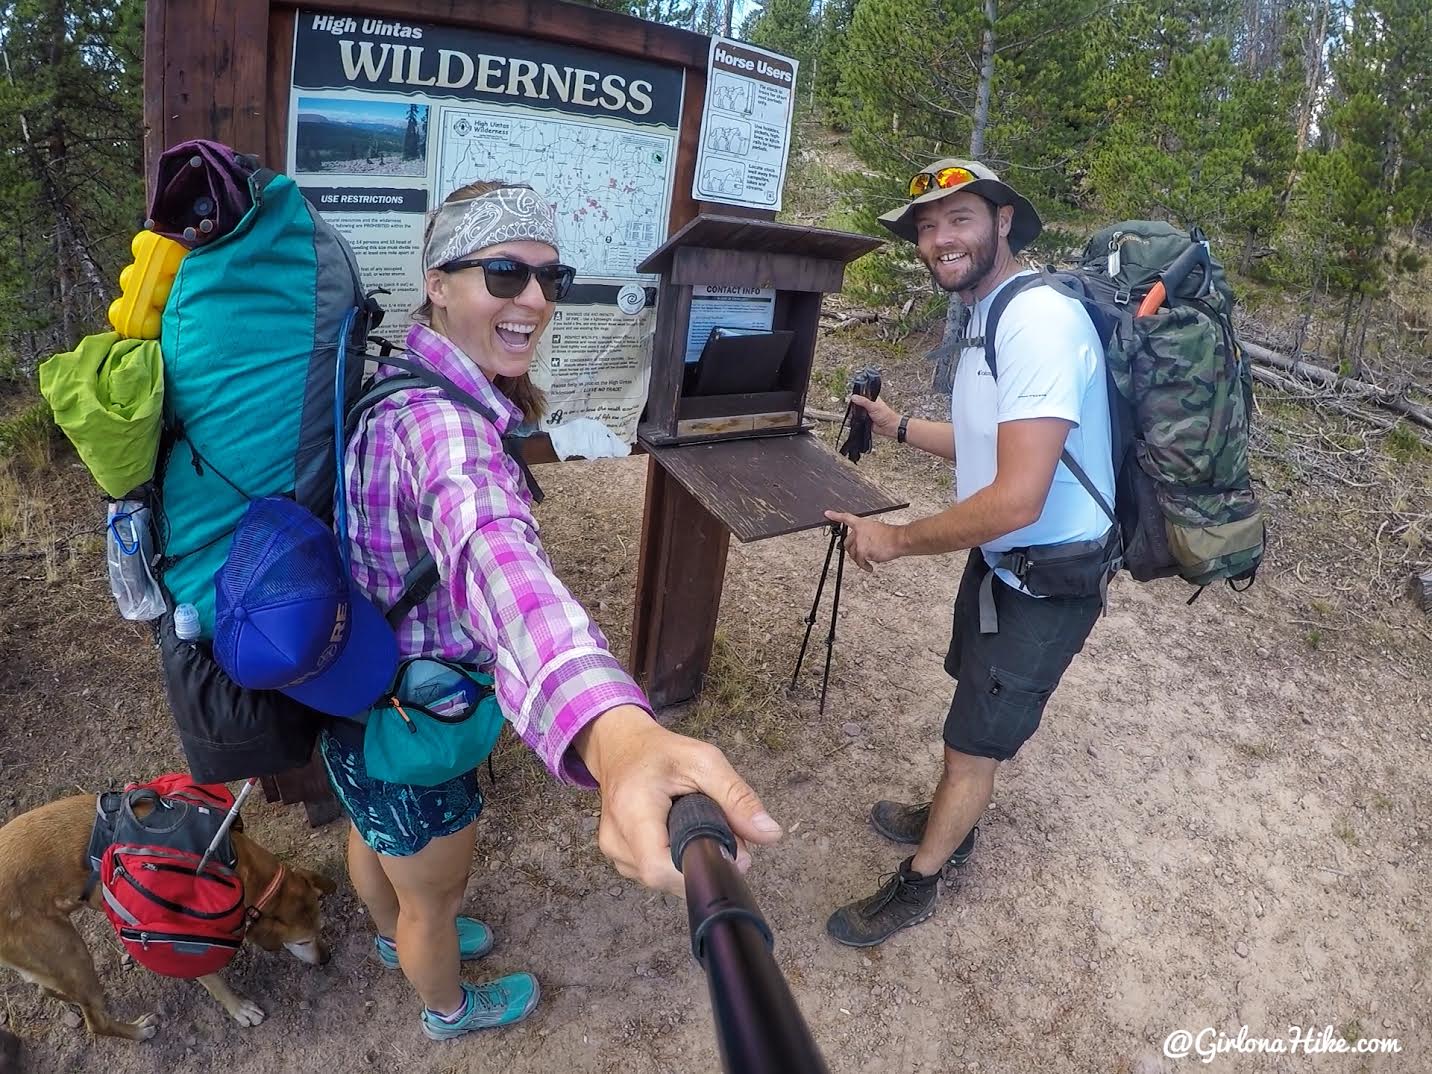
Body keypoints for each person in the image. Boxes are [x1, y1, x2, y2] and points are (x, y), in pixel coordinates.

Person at [326, 181, 783, 1035]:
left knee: (375, 832)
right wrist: (616, 733)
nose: (534, 299)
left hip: (355, 688)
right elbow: (496, 558)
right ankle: (446, 1004)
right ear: (438, 282)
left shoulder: (397, 373)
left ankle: (393, 933)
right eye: (505, 274)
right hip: (417, 715)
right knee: (436, 895)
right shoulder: (445, 428)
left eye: (550, 277)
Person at [823, 159, 1114, 947]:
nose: (940, 239)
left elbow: (1017, 497)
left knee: (972, 745)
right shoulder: (991, 314)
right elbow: (993, 441)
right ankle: (952, 813)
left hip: (1048, 581)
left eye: (959, 219)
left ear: (1003, 222)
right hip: (1004, 566)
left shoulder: (1036, 322)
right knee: (968, 720)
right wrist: (895, 426)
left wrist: (896, 539)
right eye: (927, 227)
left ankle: (920, 881)